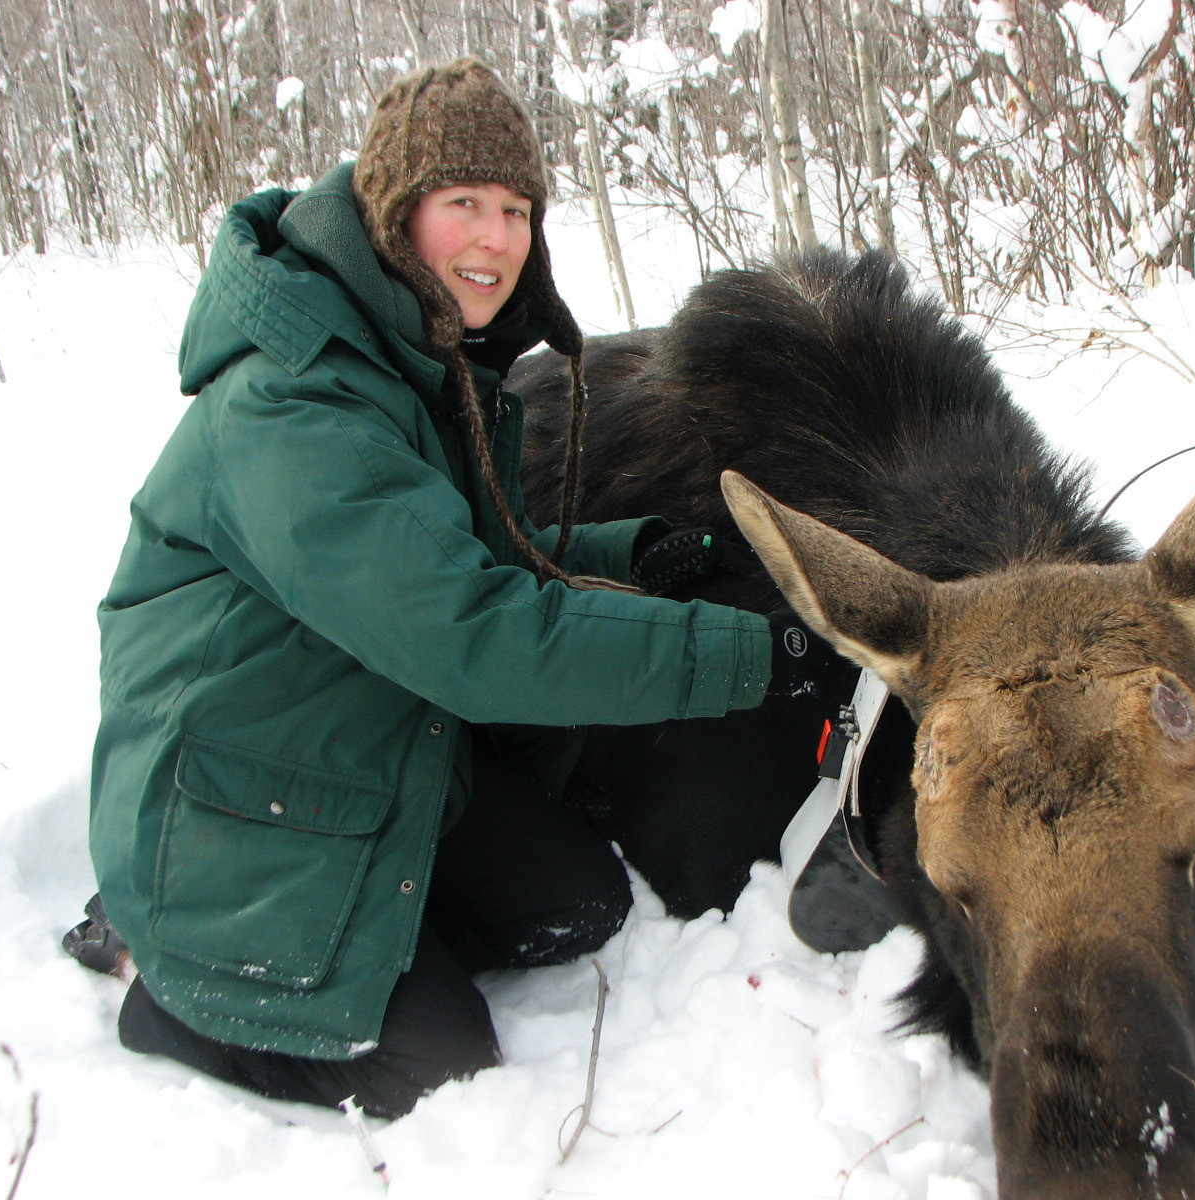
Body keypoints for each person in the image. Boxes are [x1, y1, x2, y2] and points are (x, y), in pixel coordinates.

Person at [61, 59, 837, 1121]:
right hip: (231, 795)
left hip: (352, 745)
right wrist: (758, 656)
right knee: (436, 1069)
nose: (494, 239)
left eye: (516, 208)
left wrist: (635, 555)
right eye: (461, 203)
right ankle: (171, 983)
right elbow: (472, 635)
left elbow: (468, 559)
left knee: (580, 905)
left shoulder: (414, 360)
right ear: (393, 211)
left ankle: (356, 939)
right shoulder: (297, 404)